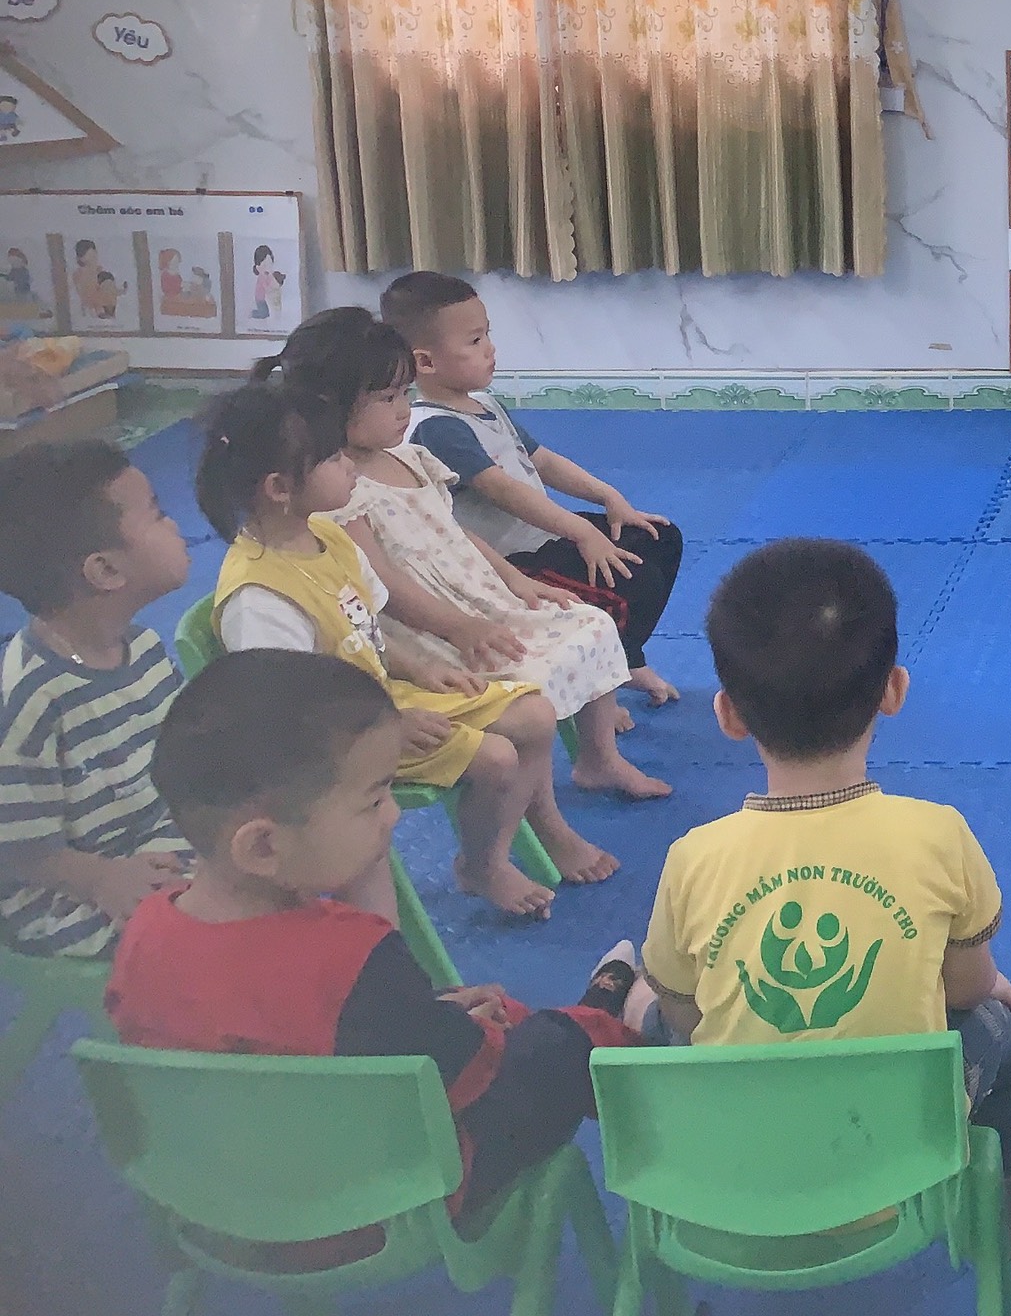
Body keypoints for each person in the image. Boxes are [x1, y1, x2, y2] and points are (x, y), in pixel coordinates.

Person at [106, 650, 645, 1240]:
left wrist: (425, 1014)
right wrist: (483, 1027)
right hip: (380, 1207)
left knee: (464, 1014)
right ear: (262, 847)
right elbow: (465, 1071)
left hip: (218, 1207)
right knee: (554, 1039)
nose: (392, 817)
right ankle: (614, 1024)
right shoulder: (355, 958)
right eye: (372, 800)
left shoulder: (145, 930)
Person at [640, 539, 1011, 1248]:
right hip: (899, 1165)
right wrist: (985, 984)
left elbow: (685, 1011)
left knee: (647, 1007)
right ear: (894, 690)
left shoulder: (693, 859)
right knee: (1000, 1023)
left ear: (728, 714)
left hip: (737, 1168)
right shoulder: (938, 835)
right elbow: (966, 989)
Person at [199, 380, 615, 918]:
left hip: (381, 699)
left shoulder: (328, 537)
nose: (349, 465)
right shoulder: (259, 597)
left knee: (534, 715)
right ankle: (485, 865)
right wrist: (391, 722)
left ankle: (481, 861)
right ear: (280, 487)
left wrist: (421, 668)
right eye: (332, 457)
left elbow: (366, 627)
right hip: (334, 739)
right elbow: (288, 711)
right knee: (495, 758)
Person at [265, 308, 667, 801]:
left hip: (479, 596)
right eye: (387, 398)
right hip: (427, 627)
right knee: (529, 676)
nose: (403, 409)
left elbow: (453, 531)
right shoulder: (336, 490)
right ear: (329, 406)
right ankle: (537, 799)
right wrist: (458, 628)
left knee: (592, 622)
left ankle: (599, 760)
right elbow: (380, 583)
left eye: (404, 393)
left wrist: (516, 581)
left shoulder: (409, 457)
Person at [382, 271, 682, 706]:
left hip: (542, 538)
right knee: (634, 582)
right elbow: (505, 491)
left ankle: (625, 658)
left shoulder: (484, 403)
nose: (490, 348)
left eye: (487, 334)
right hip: (513, 563)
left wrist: (608, 498)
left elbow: (542, 460)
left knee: (659, 538)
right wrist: (583, 533)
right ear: (425, 362)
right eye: (474, 341)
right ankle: (600, 685)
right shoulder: (436, 427)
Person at [0, 441, 193, 959]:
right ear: (106, 571)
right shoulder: (29, 702)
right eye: (158, 514)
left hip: (160, 842)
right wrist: (102, 878)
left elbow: (183, 757)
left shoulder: (144, 648)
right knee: (223, 924)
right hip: (74, 894)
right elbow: (17, 849)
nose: (176, 525)